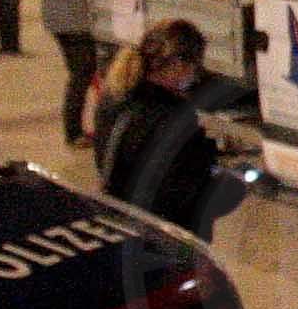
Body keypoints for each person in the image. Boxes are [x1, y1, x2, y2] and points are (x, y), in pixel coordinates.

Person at [96, 20, 225, 231]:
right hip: (160, 236)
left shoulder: (114, 99)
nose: (195, 76)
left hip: (120, 224)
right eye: (194, 67)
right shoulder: (177, 122)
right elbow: (185, 196)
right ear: (178, 65)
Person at [29, 0, 104, 149]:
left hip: (55, 23)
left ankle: (73, 130)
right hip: (80, 23)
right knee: (81, 77)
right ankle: (73, 133)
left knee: (76, 75)